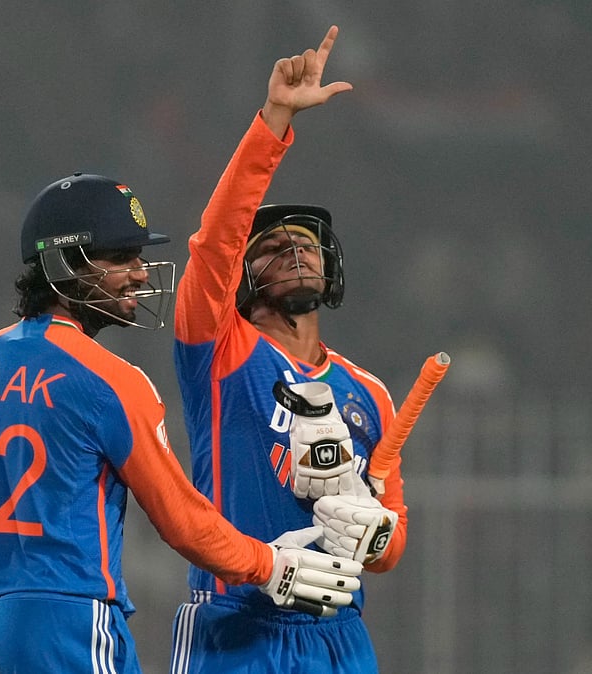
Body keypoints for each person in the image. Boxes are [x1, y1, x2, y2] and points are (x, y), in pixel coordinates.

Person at [0, 173, 364, 674]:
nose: (142, 274)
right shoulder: (110, 381)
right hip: (71, 619)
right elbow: (182, 521)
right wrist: (270, 565)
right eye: (122, 257)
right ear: (67, 264)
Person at [171, 26, 408, 674]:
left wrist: (375, 535)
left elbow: (390, 541)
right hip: (236, 623)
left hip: (339, 634)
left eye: (305, 243)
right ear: (243, 278)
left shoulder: (372, 393)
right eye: (274, 248)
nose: (296, 250)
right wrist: (275, 121)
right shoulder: (218, 352)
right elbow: (215, 243)